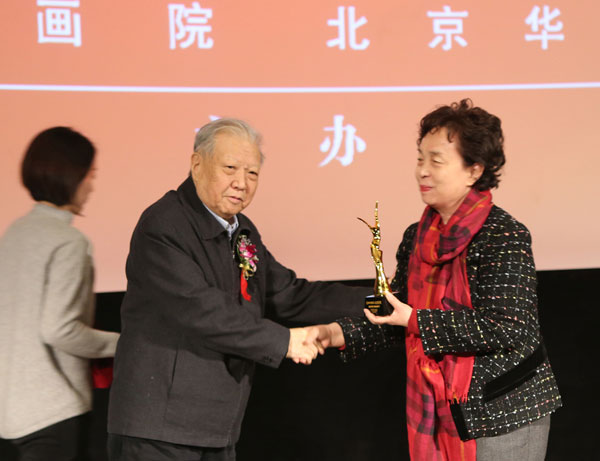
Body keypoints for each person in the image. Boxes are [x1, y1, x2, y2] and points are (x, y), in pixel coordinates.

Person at [106, 118, 366, 461]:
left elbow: (289, 294)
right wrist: (285, 341)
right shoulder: (163, 225)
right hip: (160, 429)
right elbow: (202, 311)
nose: (241, 183)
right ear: (197, 164)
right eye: (230, 168)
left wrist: (379, 300)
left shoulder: (243, 230)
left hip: (217, 427)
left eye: (252, 173)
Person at [318, 99, 562, 460]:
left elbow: (507, 328)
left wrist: (415, 319)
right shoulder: (416, 236)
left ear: (474, 170)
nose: (422, 171)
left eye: (436, 161)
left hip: (502, 412)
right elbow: (396, 314)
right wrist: (334, 333)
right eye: (420, 159)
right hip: (436, 406)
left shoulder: (503, 235)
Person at [0, 127, 120, 460]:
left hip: (12, 413)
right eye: (90, 174)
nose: (91, 185)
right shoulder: (69, 242)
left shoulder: (14, 233)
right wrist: (123, 344)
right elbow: (59, 329)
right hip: (54, 409)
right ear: (72, 176)